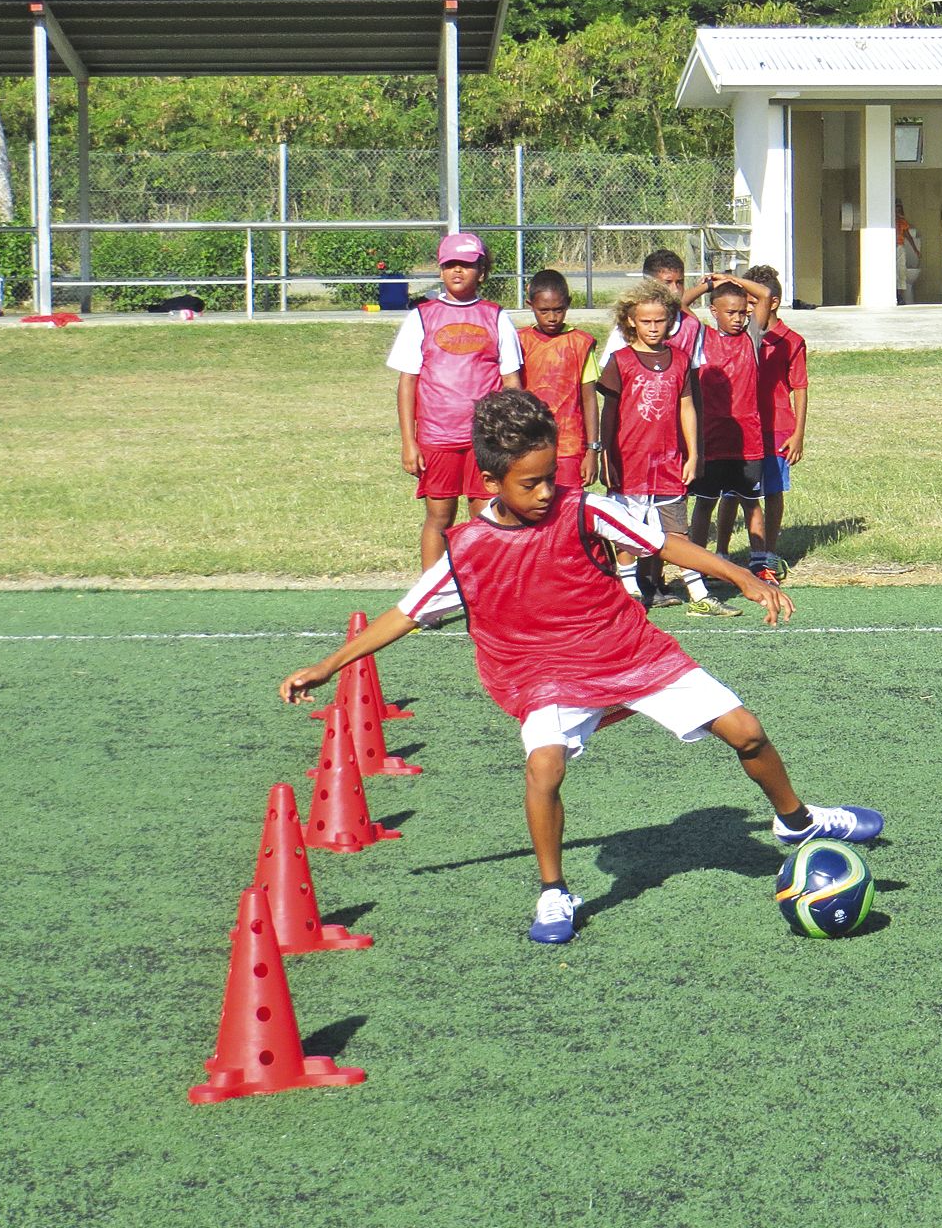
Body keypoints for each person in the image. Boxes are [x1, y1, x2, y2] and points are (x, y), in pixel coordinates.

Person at [280, 390, 883, 946]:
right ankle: (553, 891)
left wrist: (741, 574)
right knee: (544, 768)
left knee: (746, 730)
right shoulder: (465, 549)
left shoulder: (583, 508)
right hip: (543, 672)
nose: (546, 492)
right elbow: (405, 615)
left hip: (626, 650)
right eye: (531, 483)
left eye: (552, 477)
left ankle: (796, 823)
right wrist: (328, 666)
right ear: (491, 481)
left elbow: (663, 543)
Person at [386, 232, 524, 567]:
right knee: (440, 516)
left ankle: (485, 592)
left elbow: (512, 383)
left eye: (466, 264)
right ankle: (431, 600)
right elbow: (408, 383)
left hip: (485, 439)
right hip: (437, 438)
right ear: (441, 270)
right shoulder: (422, 317)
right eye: (450, 265)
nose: (457, 271)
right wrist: (409, 441)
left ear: (482, 270)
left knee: (486, 517)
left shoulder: (496, 317)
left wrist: (511, 437)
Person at [597, 279, 723, 614]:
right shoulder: (620, 360)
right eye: (646, 321)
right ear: (631, 321)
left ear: (670, 320)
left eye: (659, 320)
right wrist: (604, 454)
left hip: (669, 461)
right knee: (625, 529)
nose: (653, 328)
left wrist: (694, 453)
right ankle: (629, 590)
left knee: (676, 530)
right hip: (628, 461)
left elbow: (687, 407)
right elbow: (609, 412)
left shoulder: (681, 360)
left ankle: (698, 594)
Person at [685, 277, 768, 606]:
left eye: (741, 313)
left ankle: (760, 562)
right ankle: (698, 563)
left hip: (747, 439)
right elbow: (677, 305)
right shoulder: (701, 335)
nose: (737, 318)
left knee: (751, 501)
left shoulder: (751, 337)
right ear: (713, 312)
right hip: (712, 439)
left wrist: (732, 280)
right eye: (730, 312)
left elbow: (764, 294)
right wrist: (707, 286)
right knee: (705, 503)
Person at [726, 264, 807, 584]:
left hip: (777, 428)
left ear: (770, 301)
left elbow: (799, 386)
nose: (745, 306)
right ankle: (728, 555)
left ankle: (768, 555)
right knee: (735, 489)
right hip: (742, 426)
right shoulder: (740, 336)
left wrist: (799, 433)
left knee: (772, 491)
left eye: (750, 298)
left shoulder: (791, 340)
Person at [517, 269, 599, 490]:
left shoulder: (580, 343)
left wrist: (592, 449)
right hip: (527, 445)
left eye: (558, 310)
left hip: (569, 447)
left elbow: (590, 399)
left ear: (568, 304)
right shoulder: (519, 342)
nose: (552, 317)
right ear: (530, 304)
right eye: (544, 311)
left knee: (567, 510)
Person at [642, 248, 705, 352]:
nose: (675, 290)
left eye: (680, 282)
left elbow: (696, 366)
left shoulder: (691, 326)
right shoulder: (631, 324)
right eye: (667, 282)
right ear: (649, 284)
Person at [894, 201, 922, 305]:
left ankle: (899, 295)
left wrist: (915, 250)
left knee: (901, 271)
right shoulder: (891, 220)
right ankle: (897, 295)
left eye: (899, 209)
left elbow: (908, 235)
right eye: (896, 208)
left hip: (900, 247)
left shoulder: (902, 221)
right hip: (891, 247)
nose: (898, 211)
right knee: (894, 272)